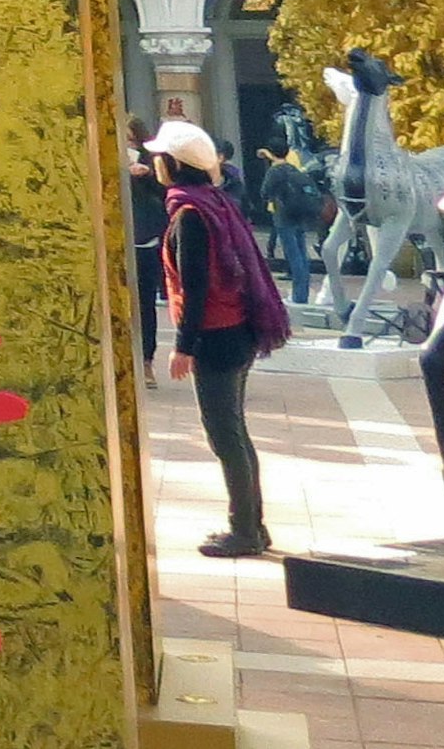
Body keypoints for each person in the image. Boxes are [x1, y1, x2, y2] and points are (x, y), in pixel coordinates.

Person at [151, 118, 291, 558]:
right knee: (236, 434)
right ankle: (253, 525)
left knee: (225, 437)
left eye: (160, 157)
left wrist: (183, 346)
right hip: (240, 332)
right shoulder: (213, 201)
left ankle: (244, 531)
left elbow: (196, 287)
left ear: (173, 163)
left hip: (217, 337)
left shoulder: (191, 216)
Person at [256, 145, 328, 311]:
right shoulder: (293, 168)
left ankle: (298, 296)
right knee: (302, 254)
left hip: (284, 217)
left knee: (293, 256)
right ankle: (302, 294)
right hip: (300, 216)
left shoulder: (275, 171)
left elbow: (264, 193)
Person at [123, 117, 168, 362]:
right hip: (119, 238)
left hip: (145, 239)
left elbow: (163, 192)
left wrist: (146, 174)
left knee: (144, 303)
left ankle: (146, 358)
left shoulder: (152, 161)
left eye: (131, 139)